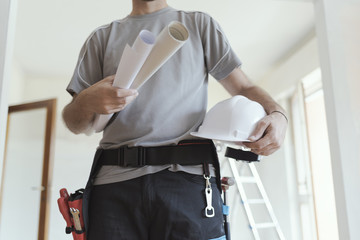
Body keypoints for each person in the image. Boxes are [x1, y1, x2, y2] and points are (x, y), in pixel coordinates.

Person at [62, 0, 288, 239]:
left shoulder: (198, 24)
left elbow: (244, 86)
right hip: (114, 185)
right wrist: (85, 101)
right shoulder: (101, 38)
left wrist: (278, 114)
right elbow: (74, 122)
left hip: (187, 181)